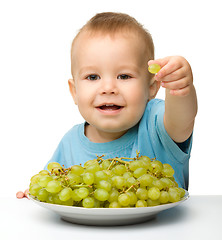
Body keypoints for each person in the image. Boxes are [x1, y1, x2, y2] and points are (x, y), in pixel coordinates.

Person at [17, 12, 197, 198]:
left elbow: (182, 120)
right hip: (83, 228)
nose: (108, 88)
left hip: (163, 227)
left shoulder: (156, 123)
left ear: (151, 87)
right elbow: (52, 187)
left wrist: (181, 89)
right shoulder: (69, 143)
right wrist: (35, 194)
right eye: (92, 77)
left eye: (124, 76)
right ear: (75, 92)